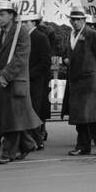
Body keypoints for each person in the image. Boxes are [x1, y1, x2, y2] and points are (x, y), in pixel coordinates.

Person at [0, 4, 42, 163]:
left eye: (2, 14)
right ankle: (27, 144)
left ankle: (8, 153)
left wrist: (6, 75)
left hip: (15, 82)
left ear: (12, 15)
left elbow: (21, 57)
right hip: (1, 81)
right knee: (11, 117)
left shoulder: (21, 32)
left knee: (12, 119)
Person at [65, 7, 96, 155]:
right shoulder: (71, 35)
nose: (75, 22)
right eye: (73, 19)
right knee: (80, 116)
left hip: (91, 80)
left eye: (79, 19)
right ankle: (83, 145)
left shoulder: (93, 35)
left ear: (84, 20)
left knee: (93, 115)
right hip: (77, 80)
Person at [28, 17, 53, 150]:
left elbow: (45, 62)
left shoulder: (41, 37)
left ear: (33, 23)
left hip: (37, 81)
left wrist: (30, 73)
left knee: (35, 110)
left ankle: (37, 138)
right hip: (24, 80)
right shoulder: (19, 37)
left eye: (26, 22)